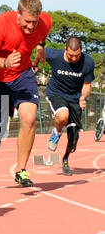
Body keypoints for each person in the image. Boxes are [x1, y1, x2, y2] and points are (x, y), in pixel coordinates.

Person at [0, 0, 52, 187]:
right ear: (18, 14)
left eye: (34, 22)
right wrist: (5, 62)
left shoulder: (44, 22)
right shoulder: (0, 24)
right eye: (27, 21)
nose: (30, 27)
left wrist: (41, 47)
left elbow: (43, 32)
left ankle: (21, 170)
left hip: (22, 75)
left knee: (29, 118)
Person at [44, 36, 95, 175]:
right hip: (56, 93)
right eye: (71, 55)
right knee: (63, 115)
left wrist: (83, 97)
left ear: (81, 51)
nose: (73, 59)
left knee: (73, 140)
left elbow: (87, 85)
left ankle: (65, 159)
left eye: (77, 55)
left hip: (75, 98)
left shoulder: (88, 62)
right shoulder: (54, 55)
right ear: (65, 49)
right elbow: (39, 50)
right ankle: (57, 132)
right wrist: (35, 64)